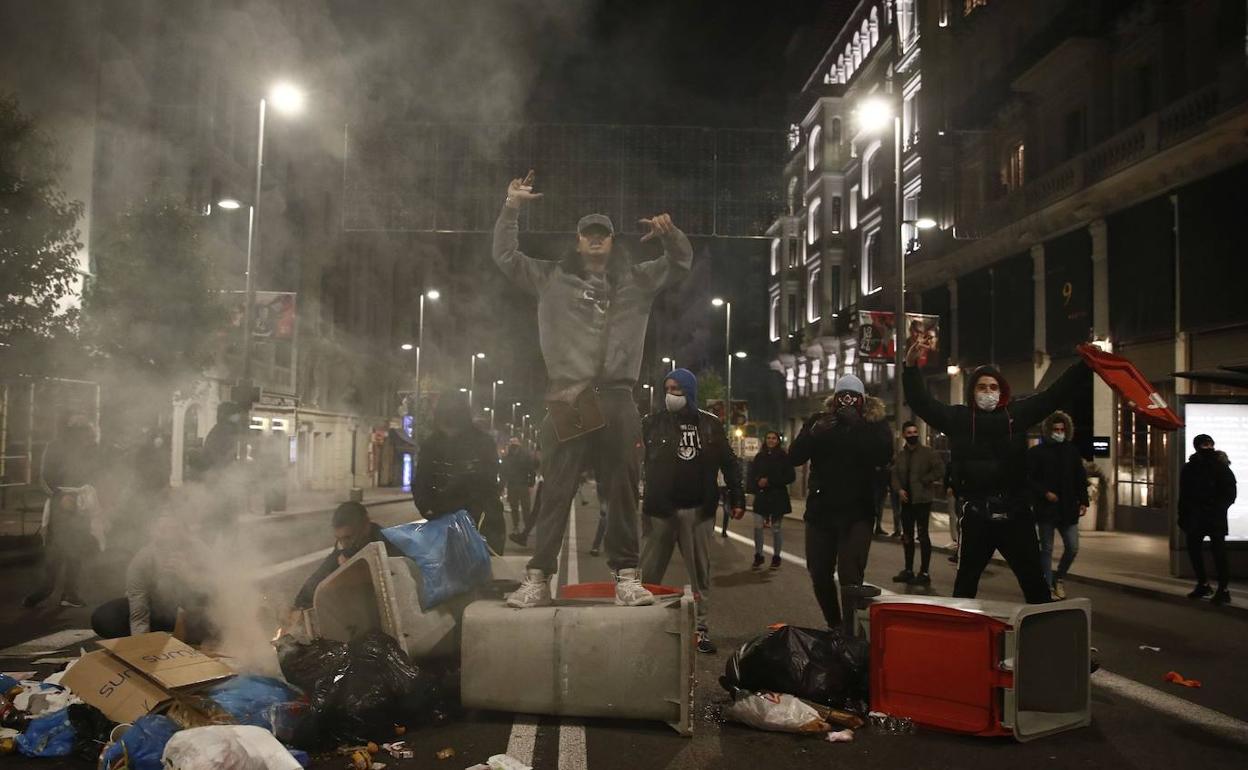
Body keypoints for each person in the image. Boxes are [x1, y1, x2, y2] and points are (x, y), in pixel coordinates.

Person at [493, 173, 692, 608]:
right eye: (589, 234)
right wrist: (512, 206)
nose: (596, 240)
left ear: (613, 241)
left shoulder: (637, 279)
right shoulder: (551, 277)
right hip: (571, 395)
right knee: (557, 489)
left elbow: (679, 264)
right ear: (578, 241)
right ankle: (538, 578)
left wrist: (670, 235)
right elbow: (506, 256)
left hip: (618, 395)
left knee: (621, 488)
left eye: (603, 235)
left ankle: (625, 577)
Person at [902, 339, 1089, 603]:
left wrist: (1085, 366)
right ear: (972, 392)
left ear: (1001, 391)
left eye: (993, 386)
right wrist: (910, 368)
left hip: (1017, 515)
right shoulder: (959, 419)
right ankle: (963, 640)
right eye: (981, 387)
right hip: (978, 515)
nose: (987, 391)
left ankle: (1041, 640)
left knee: (1035, 587)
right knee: (965, 588)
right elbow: (922, 403)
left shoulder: (1017, 415)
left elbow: (1053, 395)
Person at [639, 369, 744, 654]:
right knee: (648, 574)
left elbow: (730, 462)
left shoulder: (710, 425)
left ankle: (701, 629)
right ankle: (641, 624)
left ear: (689, 392)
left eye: (676, 389)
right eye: (668, 388)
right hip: (660, 511)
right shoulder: (652, 423)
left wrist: (737, 498)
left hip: (697, 511)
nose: (670, 394)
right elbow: (633, 459)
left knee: (700, 574)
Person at [789, 375, 893, 631]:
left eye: (853, 396)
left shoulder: (874, 424)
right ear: (834, 399)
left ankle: (851, 630)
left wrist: (858, 427)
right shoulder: (819, 421)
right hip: (821, 511)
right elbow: (794, 456)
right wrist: (812, 435)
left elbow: (883, 454)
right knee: (819, 571)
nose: (847, 400)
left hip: (857, 511)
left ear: (862, 399)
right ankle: (834, 625)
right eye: (842, 395)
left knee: (850, 577)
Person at [412, 393, 506, 554]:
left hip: (480, 523)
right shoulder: (432, 445)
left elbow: (489, 484)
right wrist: (428, 509)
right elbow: (421, 481)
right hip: (443, 523)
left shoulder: (482, 443)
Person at [23, 413, 100, 609]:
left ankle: (69, 593)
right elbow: (45, 477)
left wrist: (88, 493)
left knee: (77, 548)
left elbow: (94, 473)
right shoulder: (55, 446)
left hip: (80, 502)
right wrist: (60, 496)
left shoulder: (89, 448)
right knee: (57, 548)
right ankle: (46, 589)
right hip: (62, 503)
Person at [91, 516, 211, 640]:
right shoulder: (142, 560)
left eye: (174, 529)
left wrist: (190, 577)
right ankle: (168, 634)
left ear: (185, 533)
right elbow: (138, 611)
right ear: (154, 536)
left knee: (215, 621)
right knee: (105, 617)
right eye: (163, 530)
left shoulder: (199, 550)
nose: (169, 535)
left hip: (193, 611)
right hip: (158, 611)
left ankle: (184, 633)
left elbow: (219, 592)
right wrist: (143, 645)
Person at [290, 502, 401, 619]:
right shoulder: (345, 545)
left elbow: (396, 579)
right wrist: (299, 604)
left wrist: (358, 573)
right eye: (339, 539)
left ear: (366, 526)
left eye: (348, 537)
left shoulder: (387, 544)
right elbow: (324, 572)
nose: (344, 544)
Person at [1027, 411, 1089, 599]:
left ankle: (1058, 577)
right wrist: (1045, 493)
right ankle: (1047, 586)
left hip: (1068, 508)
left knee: (1073, 547)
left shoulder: (1072, 451)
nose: (1059, 432)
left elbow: (1080, 477)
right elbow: (1028, 478)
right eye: (1055, 429)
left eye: (1062, 429)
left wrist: (1084, 500)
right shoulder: (1037, 452)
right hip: (1046, 509)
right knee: (1046, 548)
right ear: (1048, 430)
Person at [1178, 434, 1236, 605]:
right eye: (1204, 444)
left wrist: (1217, 508)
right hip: (1199, 517)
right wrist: (1183, 515)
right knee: (1197, 549)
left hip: (1211, 517)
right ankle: (1205, 584)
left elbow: (1229, 494)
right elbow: (1184, 494)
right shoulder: (1191, 467)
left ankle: (1221, 588)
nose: (1207, 447)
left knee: (1218, 552)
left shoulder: (1219, 467)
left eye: (1209, 444)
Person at [891, 421, 946, 586]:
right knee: (907, 536)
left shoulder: (928, 453)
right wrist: (899, 490)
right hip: (906, 501)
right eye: (909, 432)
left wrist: (924, 481)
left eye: (915, 432)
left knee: (923, 536)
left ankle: (924, 572)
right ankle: (908, 570)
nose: (913, 435)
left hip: (922, 500)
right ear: (904, 435)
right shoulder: (900, 455)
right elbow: (893, 475)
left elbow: (940, 470)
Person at [747, 430, 795, 570]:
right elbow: (753, 474)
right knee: (757, 526)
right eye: (768, 438)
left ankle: (776, 556)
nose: (771, 440)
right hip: (761, 496)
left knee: (776, 528)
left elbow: (790, 477)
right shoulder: (759, 456)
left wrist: (770, 481)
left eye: (774, 438)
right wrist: (757, 482)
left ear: (778, 440)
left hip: (777, 496)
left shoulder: (783, 457)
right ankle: (758, 555)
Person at [500, 437, 538, 531]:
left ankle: (527, 526)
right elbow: (503, 473)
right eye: (512, 446)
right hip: (512, 485)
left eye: (515, 446)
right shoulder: (507, 458)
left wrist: (531, 484)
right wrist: (501, 486)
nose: (513, 448)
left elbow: (531, 471)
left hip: (523, 485)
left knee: (526, 508)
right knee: (514, 507)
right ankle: (516, 525)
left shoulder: (525, 456)